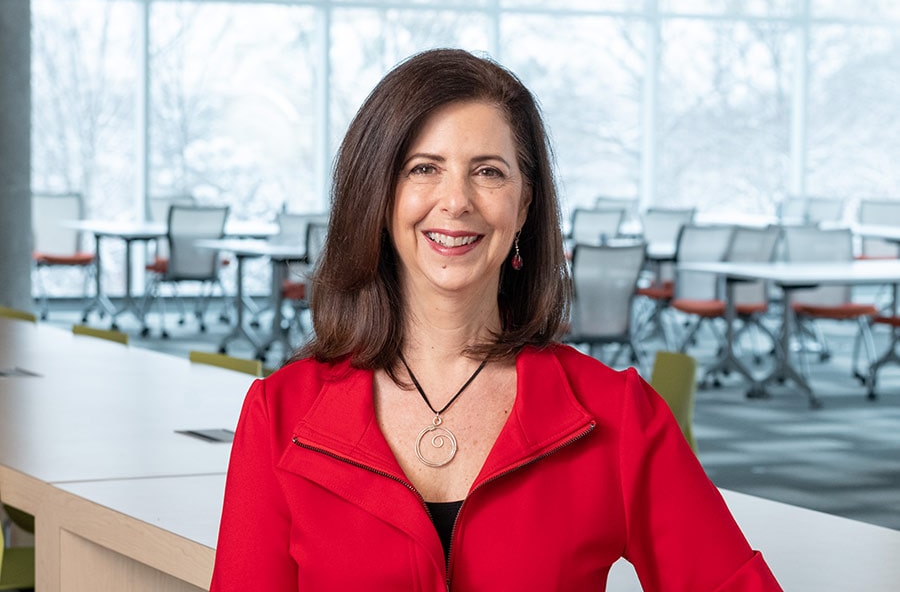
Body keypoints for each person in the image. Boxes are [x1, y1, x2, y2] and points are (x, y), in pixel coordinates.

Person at [211, 48, 782, 591]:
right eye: (422, 168)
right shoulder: (280, 416)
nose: (456, 201)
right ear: (378, 196)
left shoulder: (617, 417)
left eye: (487, 172)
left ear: (524, 205)